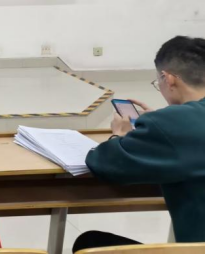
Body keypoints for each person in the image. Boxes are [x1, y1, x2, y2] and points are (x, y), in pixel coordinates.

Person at [73, 36, 205, 252]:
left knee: (90, 243)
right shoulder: (173, 122)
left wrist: (119, 135)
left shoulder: (170, 123)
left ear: (168, 79)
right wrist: (161, 124)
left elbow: (104, 163)